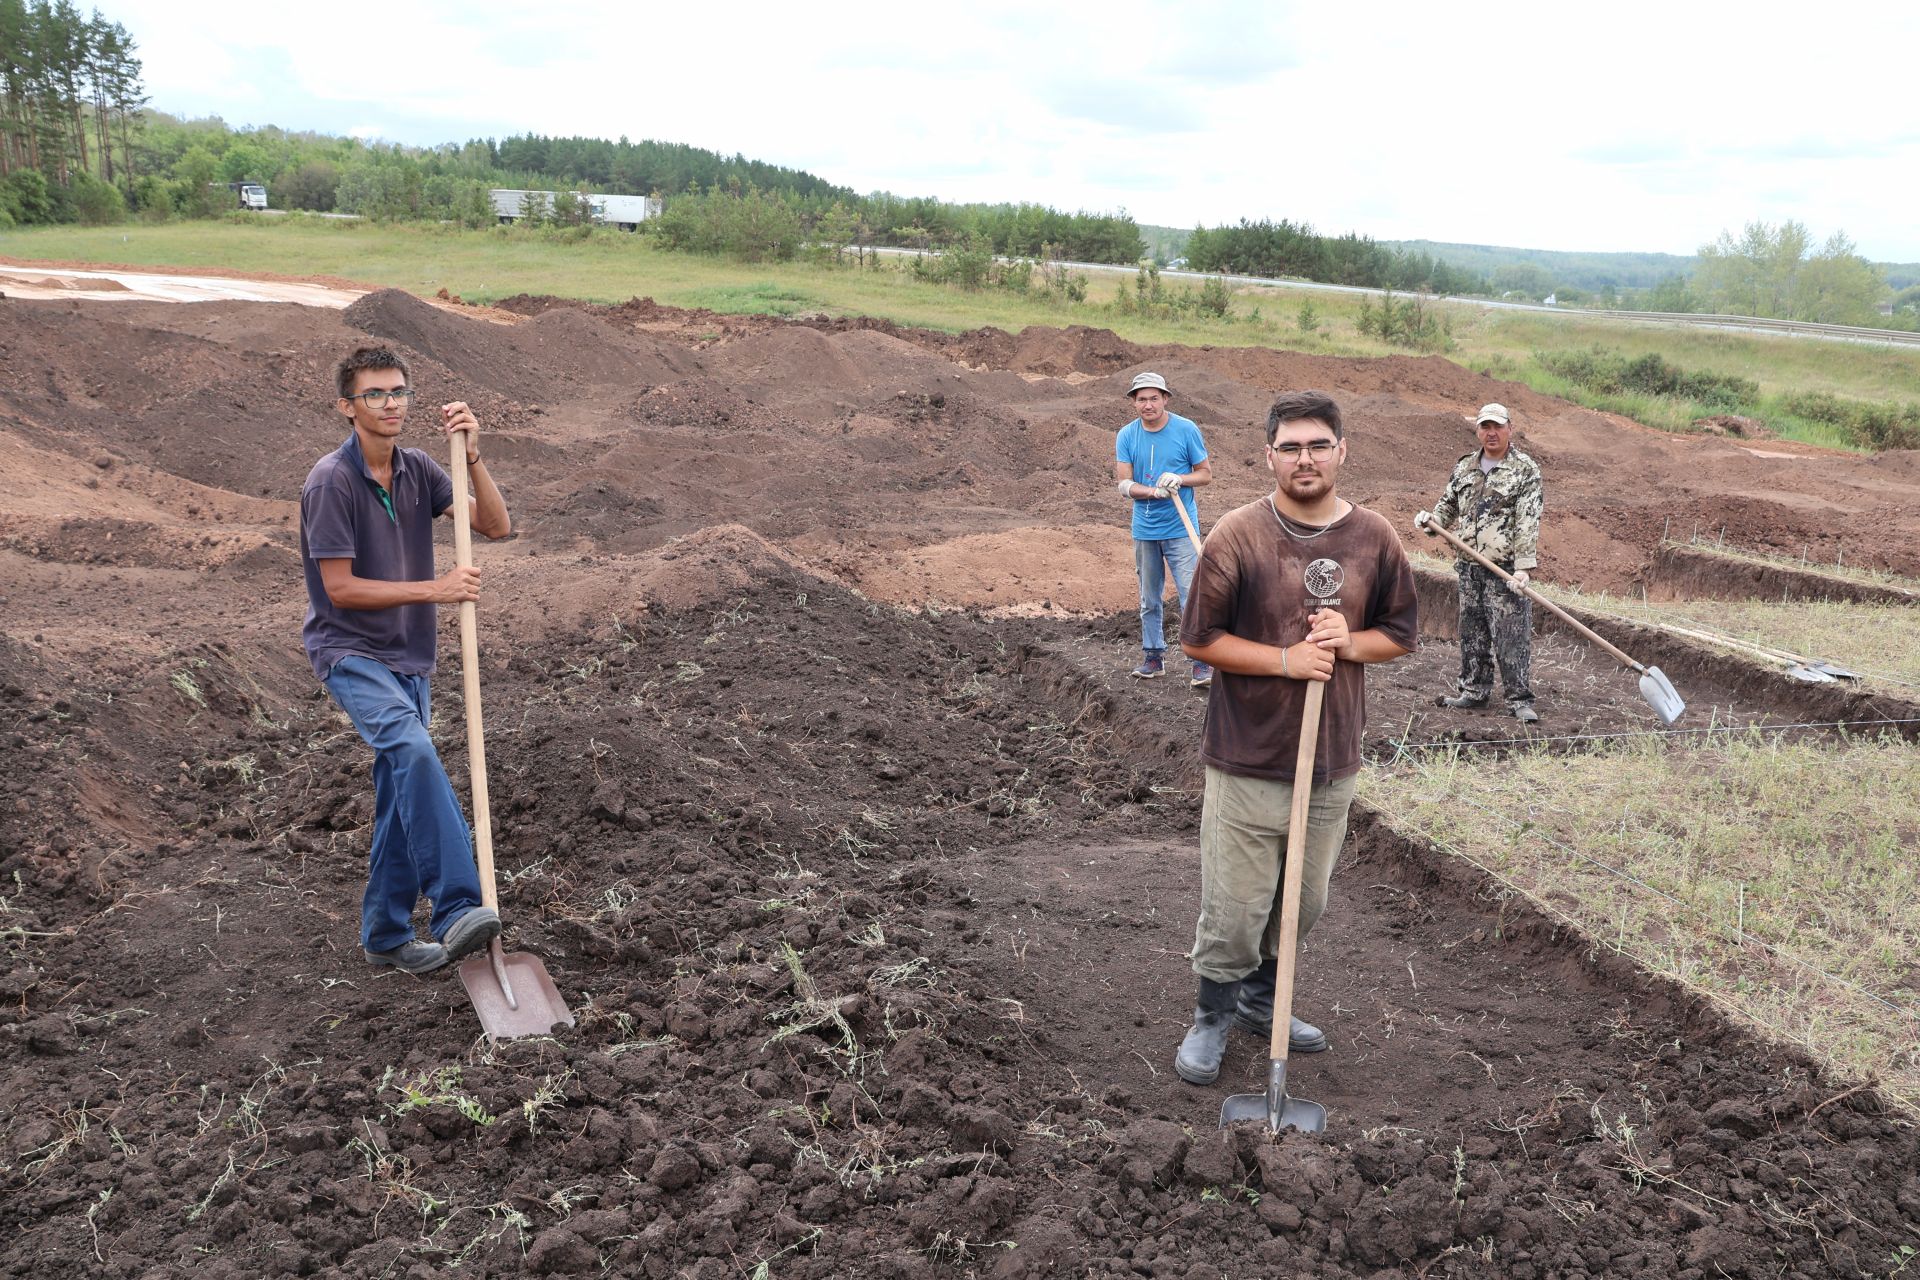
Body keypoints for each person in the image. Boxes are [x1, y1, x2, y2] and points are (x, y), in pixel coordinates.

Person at [1174, 390, 1418, 1085]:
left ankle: (1261, 1002)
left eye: (1318, 445)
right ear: (1269, 456)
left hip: (1331, 761)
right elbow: (1200, 638)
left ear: (1342, 451)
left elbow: (1399, 635)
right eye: (1290, 447)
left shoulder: (1375, 537)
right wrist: (1284, 660)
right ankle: (1212, 1016)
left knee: (1302, 902)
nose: (1304, 458)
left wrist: (1350, 640)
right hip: (1249, 755)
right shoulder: (1239, 535)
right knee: (1235, 908)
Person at [299, 345, 511, 975]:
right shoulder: (330, 482)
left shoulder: (421, 469)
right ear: (347, 406)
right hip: (351, 652)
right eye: (375, 395)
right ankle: (455, 909)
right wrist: (435, 589)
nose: (390, 404)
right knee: (414, 752)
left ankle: (387, 934)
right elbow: (340, 588)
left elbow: (494, 526)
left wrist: (472, 458)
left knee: (398, 789)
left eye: (399, 392)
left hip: (411, 657)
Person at [1420, 402, 1543, 723]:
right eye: (1485, 427)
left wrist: (1523, 568)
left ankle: (1518, 699)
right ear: (1478, 430)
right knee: (1472, 632)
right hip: (1469, 568)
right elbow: (1447, 507)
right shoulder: (1464, 468)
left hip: (1505, 571)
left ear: (1509, 429)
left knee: (1510, 635)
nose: (1491, 433)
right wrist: (1430, 520)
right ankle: (1474, 691)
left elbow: (1528, 521)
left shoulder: (1525, 470)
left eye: (1497, 427)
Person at [1114, 371, 1214, 687]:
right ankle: (1153, 657)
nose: (1148, 405)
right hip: (1145, 528)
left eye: (1154, 398)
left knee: (1192, 595)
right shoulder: (1126, 436)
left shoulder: (1186, 430)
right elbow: (1123, 483)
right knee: (1149, 598)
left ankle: (1201, 662)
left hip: (1180, 528)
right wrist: (1149, 491)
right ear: (1134, 403)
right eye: (1141, 399)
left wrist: (1179, 479)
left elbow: (1205, 474)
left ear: (1165, 399)